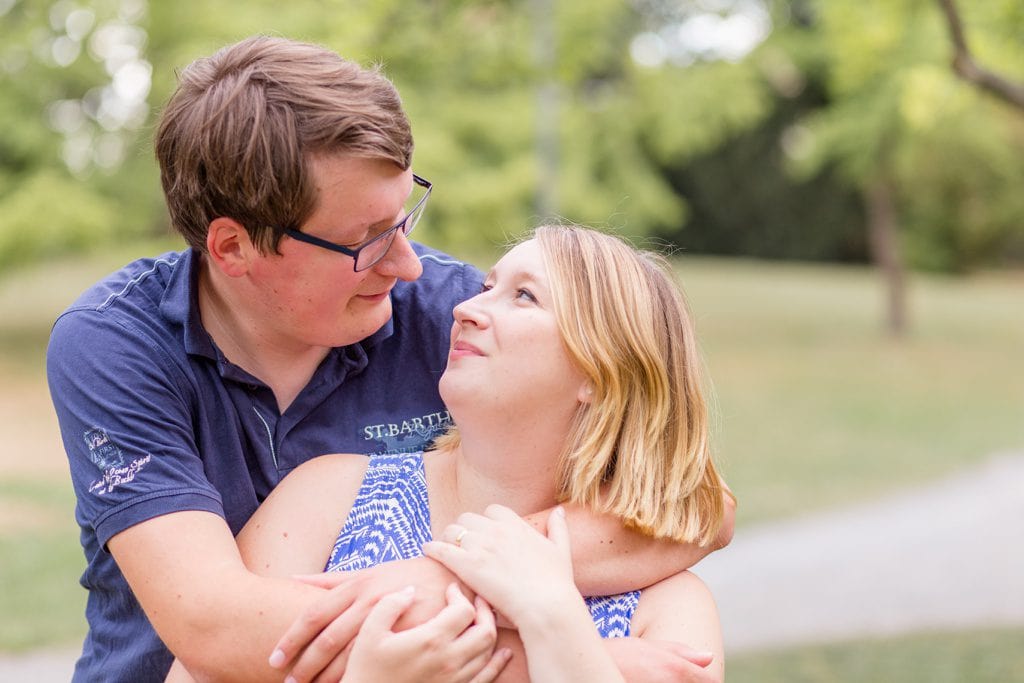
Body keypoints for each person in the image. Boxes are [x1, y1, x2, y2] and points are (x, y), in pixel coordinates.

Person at [47, 35, 733, 683]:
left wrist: (446, 574)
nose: (408, 264)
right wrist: (577, 657)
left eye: (404, 217)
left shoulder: (452, 314)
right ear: (233, 249)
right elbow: (217, 630)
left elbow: (693, 506)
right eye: (366, 239)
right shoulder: (116, 347)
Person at [232, 225, 731, 682]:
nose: (465, 309)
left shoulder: (666, 608)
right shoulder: (328, 497)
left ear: (601, 375)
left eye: (524, 296)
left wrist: (554, 621)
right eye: (487, 288)